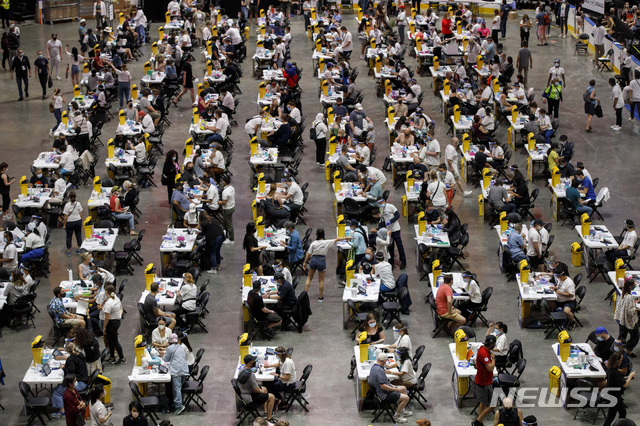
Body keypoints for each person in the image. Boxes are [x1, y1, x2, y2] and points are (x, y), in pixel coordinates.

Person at [304, 228, 350, 301]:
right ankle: (320, 297)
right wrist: (346, 237)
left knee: (309, 278)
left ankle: (304, 296)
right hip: (322, 260)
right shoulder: (326, 242)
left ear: (316, 235)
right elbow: (337, 239)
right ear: (323, 235)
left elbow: (308, 254)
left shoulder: (313, 243)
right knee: (321, 280)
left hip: (314, 259)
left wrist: (304, 263)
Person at [368, 351, 413, 424]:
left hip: (382, 391)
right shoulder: (379, 371)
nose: (386, 363)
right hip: (384, 395)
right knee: (406, 398)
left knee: (403, 388)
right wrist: (394, 389)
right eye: (385, 361)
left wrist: (393, 386)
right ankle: (397, 416)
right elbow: (383, 386)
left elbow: (385, 382)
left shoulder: (374, 367)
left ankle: (402, 410)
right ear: (382, 361)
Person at [237, 354, 278, 423]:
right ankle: (269, 418)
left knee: (264, 389)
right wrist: (261, 391)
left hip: (243, 393)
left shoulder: (241, 369)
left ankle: (265, 412)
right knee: (271, 397)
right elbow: (256, 389)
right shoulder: (250, 375)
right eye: (253, 361)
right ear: (250, 363)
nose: (255, 362)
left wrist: (262, 390)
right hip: (248, 397)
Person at [602, 352, 636, 426]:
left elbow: (617, 379)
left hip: (613, 395)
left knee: (623, 412)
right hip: (614, 397)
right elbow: (625, 385)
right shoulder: (616, 372)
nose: (621, 362)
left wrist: (624, 378)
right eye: (620, 360)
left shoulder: (610, 370)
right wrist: (630, 376)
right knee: (610, 417)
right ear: (616, 361)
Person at [470, 334, 497, 426]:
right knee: (493, 404)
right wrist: (493, 358)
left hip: (485, 381)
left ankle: (479, 423)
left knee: (483, 404)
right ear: (492, 344)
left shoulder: (483, 348)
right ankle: (477, 422)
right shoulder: (484, 353)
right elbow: (490, 368)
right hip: (483, 383)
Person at [164, 333, 190, 415]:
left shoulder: (169, 348)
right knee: (179, 387)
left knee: (176, 389)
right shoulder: (181, 347)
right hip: (184, 370)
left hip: (176, 371)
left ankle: (179, 406)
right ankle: (178, 401)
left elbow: (165, 359)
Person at [614, 278, 640, 357]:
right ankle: (628, 350)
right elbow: (629, 311)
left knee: (622, 336)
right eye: (633, 285)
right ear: (630, 286)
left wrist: (634, 302)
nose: (635, 286)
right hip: (628, 321)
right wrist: (637, 309)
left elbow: (625, 305)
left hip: (621, 319)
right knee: (635, 335)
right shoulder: (629, 297)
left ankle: (616, 350)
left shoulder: (623, 293)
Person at [102, 284, 125, 364]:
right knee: (110, 340)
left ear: (106, 292)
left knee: (115, 341)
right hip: (116, 321)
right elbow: (121, 308)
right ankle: (112, 357)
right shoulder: (116, 298)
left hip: (112, 323)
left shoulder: (109, 303)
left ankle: (122, 358)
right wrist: (119, 315)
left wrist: (104, 327)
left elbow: (107, 317)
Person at [219, 175, 235, 244]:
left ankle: (231, 239)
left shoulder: (225, 192)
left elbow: (224, 203)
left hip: (227, 208)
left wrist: (217, 201)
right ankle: (225, 236)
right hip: (232, 206)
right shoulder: (231, 188)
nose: (222, 182)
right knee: (224, 222)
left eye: (223, 181)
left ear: (225, 182)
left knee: (229, 224)